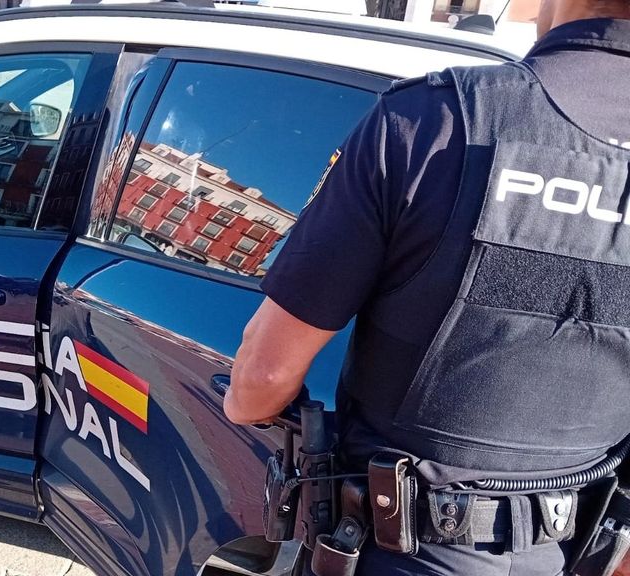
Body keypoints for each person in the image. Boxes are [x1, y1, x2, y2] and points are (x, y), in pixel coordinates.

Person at [225, 0, 630, 574]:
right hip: (584, 548)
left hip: (412, 548)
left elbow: (262, 378)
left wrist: (247, 404)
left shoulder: (435, 119)